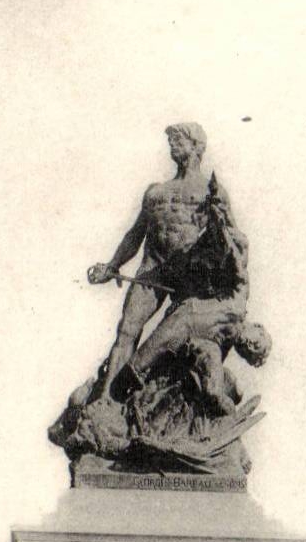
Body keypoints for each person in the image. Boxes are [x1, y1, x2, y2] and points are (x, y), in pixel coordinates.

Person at [87, 123, 242, 399]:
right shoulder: (155, 192)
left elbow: (232, 241)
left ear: (196, 146)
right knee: (127, 329)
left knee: (176, 341)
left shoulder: (210, 190)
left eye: (178, 140)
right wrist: (112, 266)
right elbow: (135, 234)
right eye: (171, 140)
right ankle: (106, 400)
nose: (172, 144)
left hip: (191, 275)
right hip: (152, 269)